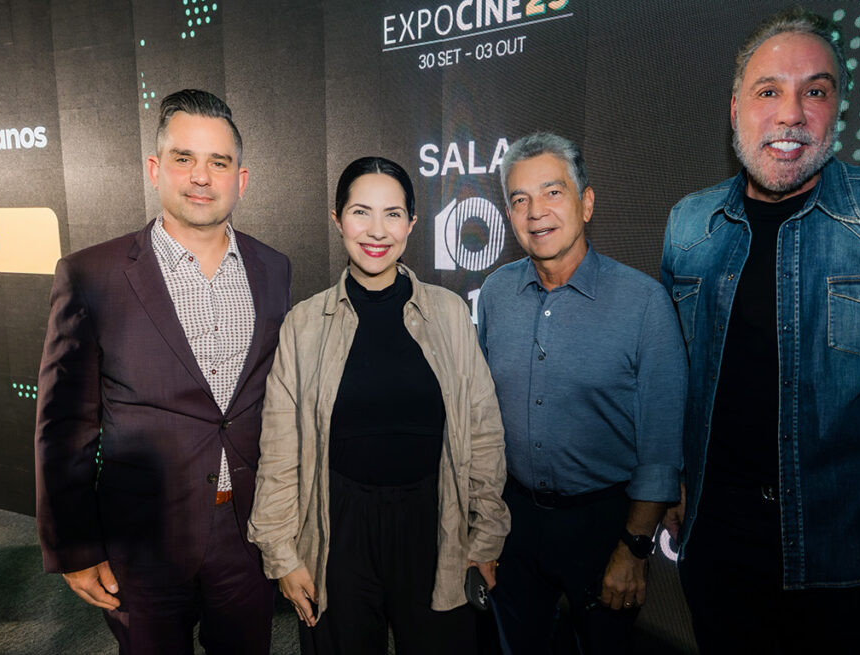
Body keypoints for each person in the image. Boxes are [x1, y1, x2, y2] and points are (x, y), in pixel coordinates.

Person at [660, 9, 860, 654]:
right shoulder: (688, 225)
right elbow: (676, 380)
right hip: (717, 556)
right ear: (734, 110)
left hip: (850, 562)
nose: (790, 114)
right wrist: (669, 483)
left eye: (815, 90)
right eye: (768, 91)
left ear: (836, 109)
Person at [34, 89, 291, 654]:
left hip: (245, 535)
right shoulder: (91, 273)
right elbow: (64, 427)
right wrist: (76, 547)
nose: (201, 176)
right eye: (184, 158)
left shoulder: (274, 269)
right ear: (155, 169)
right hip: (141, 539)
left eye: (219, 162)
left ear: (240, 179)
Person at [247, 156, 509, 654]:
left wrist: (485, 536)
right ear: (337, 219)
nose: (376, 230)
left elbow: (483, 431)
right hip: (337, 526)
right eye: (360, 212)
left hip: (436, 523)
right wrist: (283, 555)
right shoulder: (304, 324)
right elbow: (281, 449)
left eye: (393, 214)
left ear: (412, 223)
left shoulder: (450, 314)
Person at [478, 132, 686, 654]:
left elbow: (661, 450)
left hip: (605, 528)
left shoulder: (644, 305)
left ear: (586, 202)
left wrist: (634, 550)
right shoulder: (498, 292)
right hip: (515, 522)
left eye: (553, 192)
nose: (536, 212)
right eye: (519, 199)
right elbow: (477, 418)